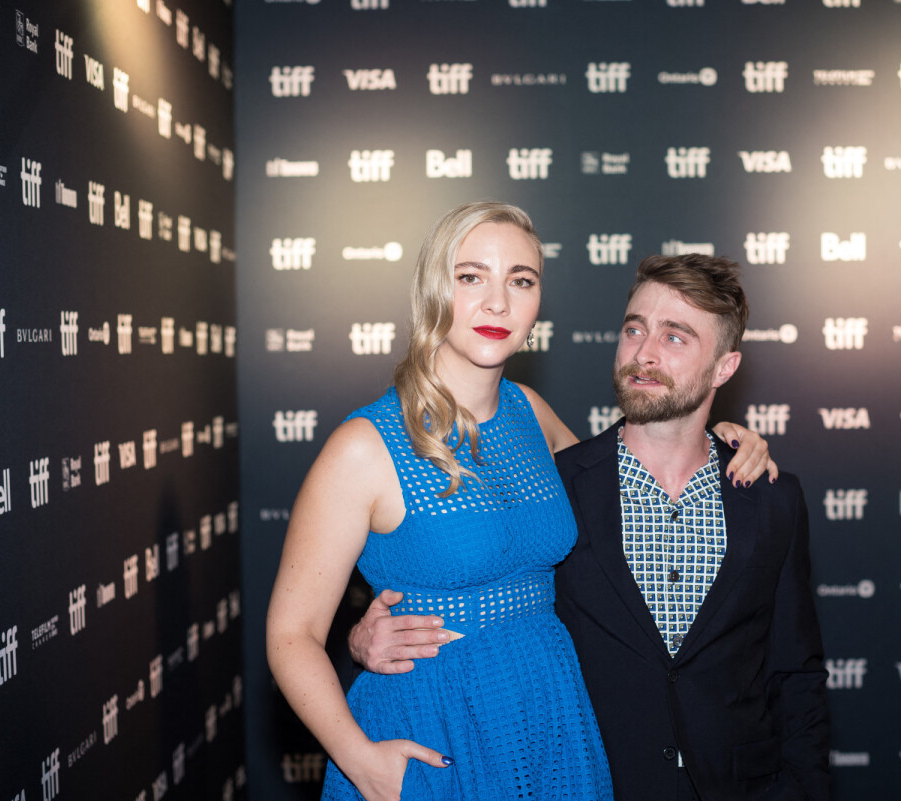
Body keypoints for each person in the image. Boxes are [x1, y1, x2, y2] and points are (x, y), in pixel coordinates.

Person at [265, 203, 775, 801]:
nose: (498, 303)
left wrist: (723, 443)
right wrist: (362, 762)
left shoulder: (528, 413)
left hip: (551, 719)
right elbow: (291, 634)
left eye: (521, 281)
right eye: (471, 276)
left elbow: (629, 471)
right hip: (434, 730)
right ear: (433, 288)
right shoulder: (365, 447)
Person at [352, 252, 829, 801]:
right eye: (635, 329)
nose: (644, 354)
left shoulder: (770, 498)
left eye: (675, 338)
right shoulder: (556, 489)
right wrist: (362, 638)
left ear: (724, 368)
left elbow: (796, 674)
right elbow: (473, 598)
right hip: (592, 781)